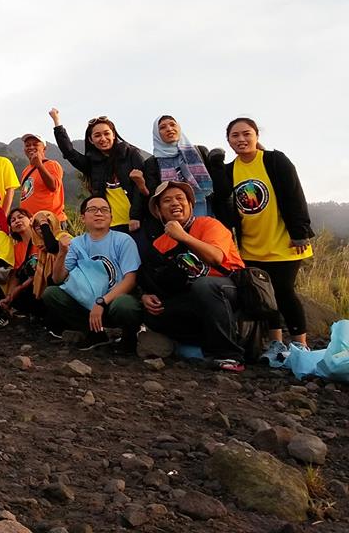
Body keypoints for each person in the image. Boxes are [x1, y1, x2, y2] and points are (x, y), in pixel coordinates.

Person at [215, 117, 315, 362]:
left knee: (284, 291)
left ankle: (300, 345)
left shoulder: (274, 160)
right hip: (251, 245)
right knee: (263, 296)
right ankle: (276, 343)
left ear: (256, 135)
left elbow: (294, 194)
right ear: (229, 140)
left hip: (284, 241)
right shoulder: (230, 170)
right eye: (235, 135)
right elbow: (224, 204)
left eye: (246, 134)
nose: (241, 139)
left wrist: (300, 231)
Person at [140, 181, 246, 371]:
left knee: (204, 285)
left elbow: (215, 257)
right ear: (159, 211)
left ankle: (228, 355)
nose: (175, 203)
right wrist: (146, 296)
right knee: (153, 313)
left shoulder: (210, 225)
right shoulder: (159, 244)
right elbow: (157, 283)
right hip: (195, 298)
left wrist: (183, 236)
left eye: (180, 198)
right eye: (167, 201)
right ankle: (204, 344)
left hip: (230, 289)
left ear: (190, 204)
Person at [41, 195, 143, 350]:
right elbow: (57, 279)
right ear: (83, 218)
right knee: (51, 293)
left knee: (125, 305)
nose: (99, 213)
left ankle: (129, 337)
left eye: (104, 210)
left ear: (111, 217)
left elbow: (130, 279)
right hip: (86, 301)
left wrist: (101, 302)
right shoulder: (76, 243)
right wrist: (61, 253)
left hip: (113, 301)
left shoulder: (123, 240)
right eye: (93, 209)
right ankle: (94, 332)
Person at [50, 109, 145, 233]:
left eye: (106, 133)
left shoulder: (131, 154)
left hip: (137, 223)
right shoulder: (92, 163)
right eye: (97, 135)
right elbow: (69, 152)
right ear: (91, 140)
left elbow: (141, 187)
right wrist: (57, 122)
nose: (103, 138)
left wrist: (136, 216)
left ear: (113, 135)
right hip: (109, 227)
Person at [132, 115, 216, 220]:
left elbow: (216, 184)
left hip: (206, 211)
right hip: (174, 216)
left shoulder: (199, 152)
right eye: (162, 127)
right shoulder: (152, 163)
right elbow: (153, 195)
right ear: (157, 134)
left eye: (172, 125)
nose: (169, 129)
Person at [1, 209, 71, 327]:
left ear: (30, 220)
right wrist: (10, 296)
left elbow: (53, 248)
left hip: (54, 282)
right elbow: (16, 274)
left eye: (20, 217)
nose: (17, 221)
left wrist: (20, 287)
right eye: (13, 220)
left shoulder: (52, 239)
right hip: (34, 285)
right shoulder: (17, 248)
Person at [18, 133, 66, 227]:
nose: (31, 147)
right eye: (27, 145)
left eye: (35, 144)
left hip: (50, 220)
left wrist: (39, 166)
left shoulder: (52, 164)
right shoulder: (25, 170)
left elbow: (53, 186)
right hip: (32, 223)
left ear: (44, 148)